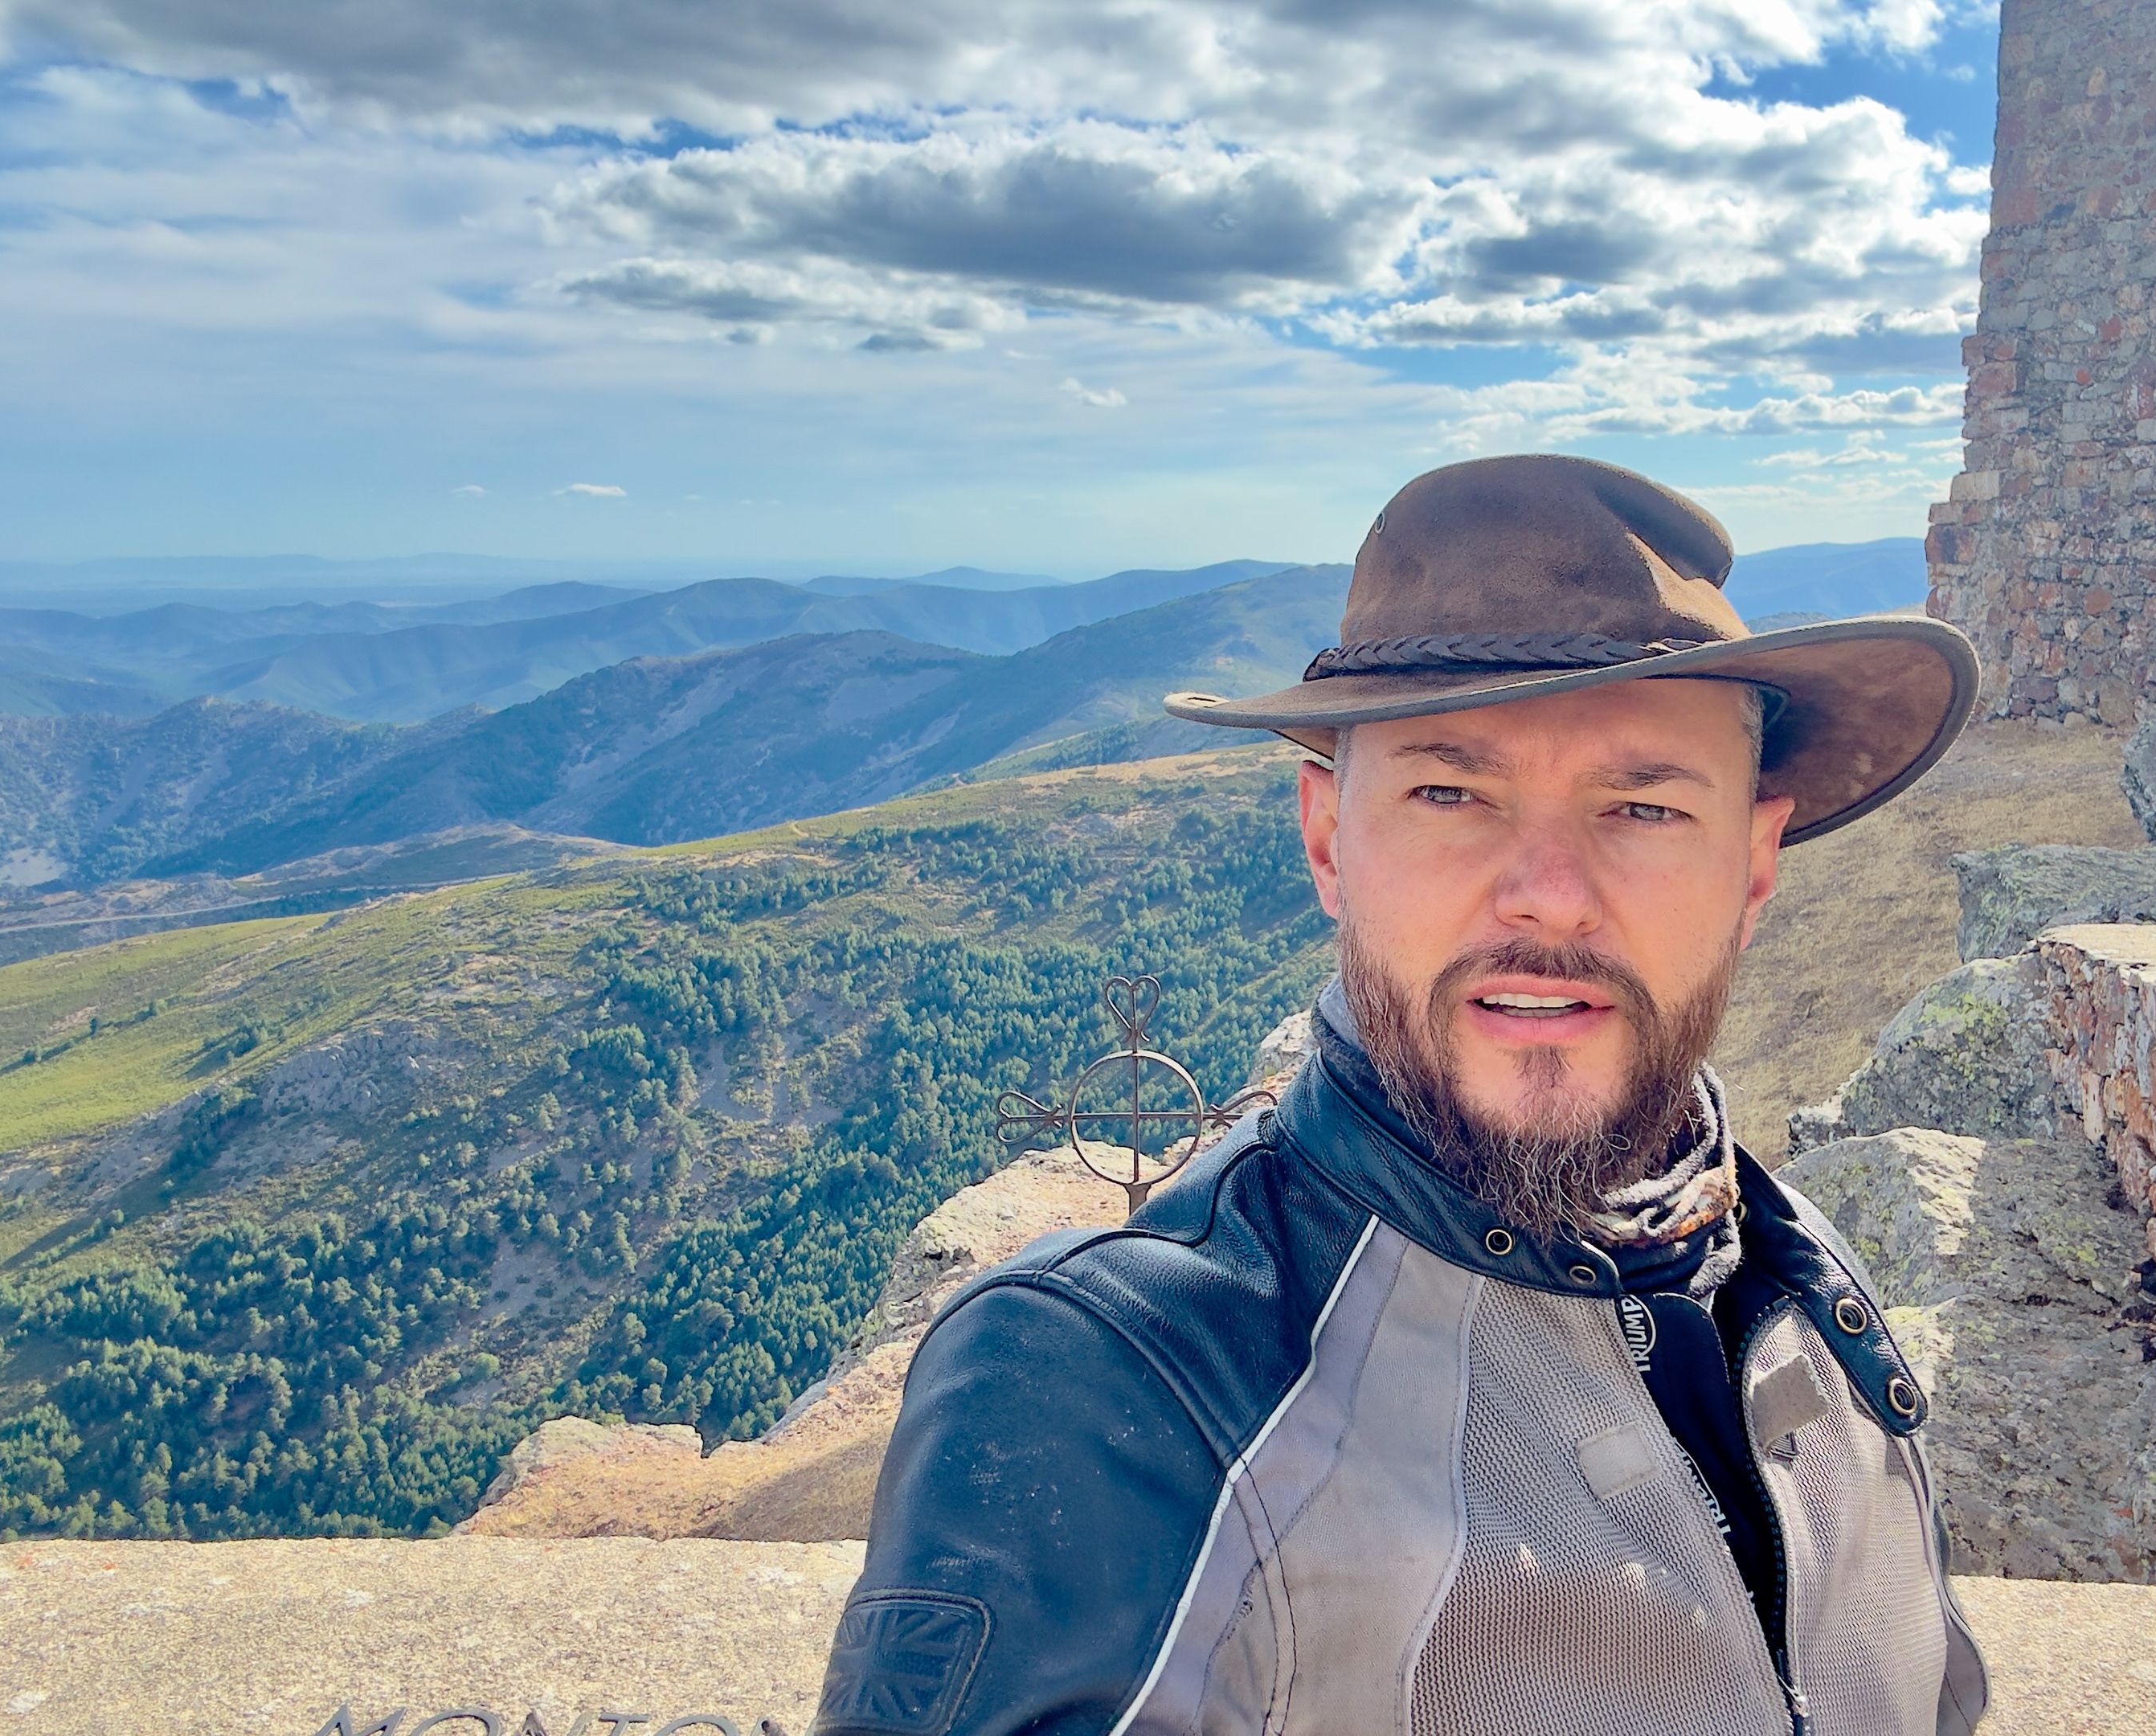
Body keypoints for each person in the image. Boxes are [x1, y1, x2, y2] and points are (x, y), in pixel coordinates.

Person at [811, 455, 1988, 1736]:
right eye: (1451, 793)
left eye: (1644, 807)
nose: (1548, 896)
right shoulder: (1116, 1386)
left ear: (1753, 866)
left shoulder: (1804, 1280)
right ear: (1329, 841)